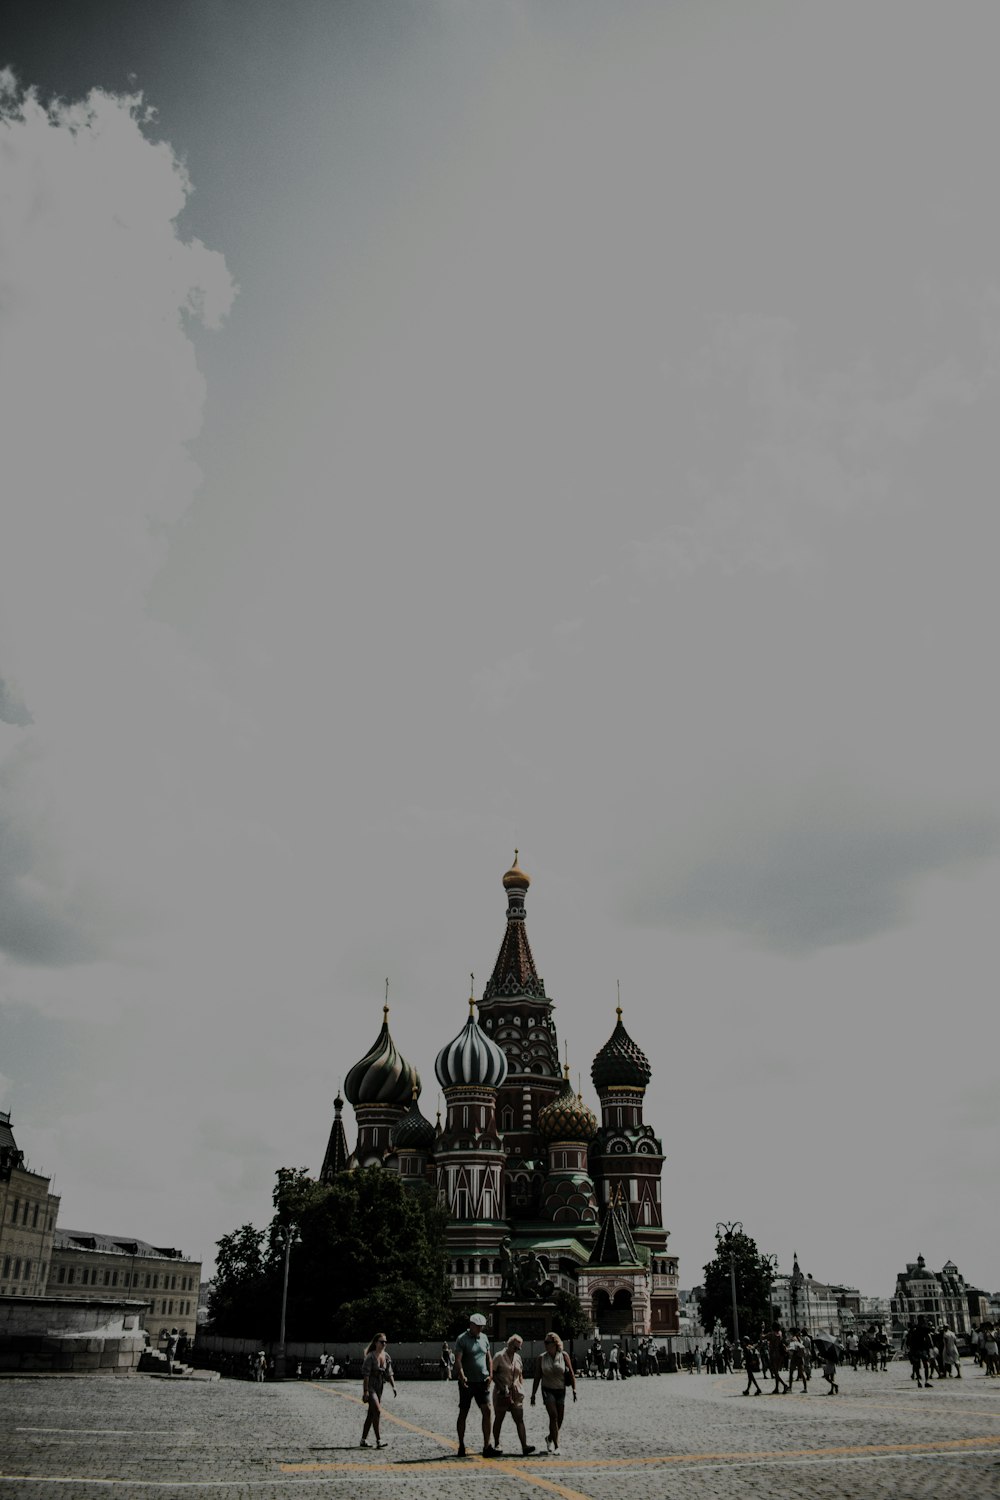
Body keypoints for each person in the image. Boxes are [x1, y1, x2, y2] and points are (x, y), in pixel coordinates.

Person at [454, 1312, 495, 1458]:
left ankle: (487, 1445)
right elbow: (458, 1359)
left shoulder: (484, 1338)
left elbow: (488, 1357)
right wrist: (462, 1375)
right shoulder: (462, 1339)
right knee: (464, 1411)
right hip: (467, 1382)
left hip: (482, 1381)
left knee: (487, 1410)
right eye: (478, 1327)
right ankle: (461, 1444)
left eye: (482, 1327)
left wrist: (490, 1374)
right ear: (471, 1325)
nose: (480, 1329)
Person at [530, 1331, 577, 1455]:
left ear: (555, 1343)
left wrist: (574, 1389)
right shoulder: (541, 1358)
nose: (545, 1344)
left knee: (560, 1419)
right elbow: (537, 1377)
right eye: (545, 1342)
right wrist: (533, 1394)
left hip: (561, 1390)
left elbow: (571, 1372)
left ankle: (550, 1437)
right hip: (547, 1389)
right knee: (553, 1416)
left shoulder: (564, 1355)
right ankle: (557, 1445)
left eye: (548, 1342)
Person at [491, 1334, 536, 1455]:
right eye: (515, 1347)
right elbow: (492, 1373)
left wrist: (520, 1386)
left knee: (519, 1419)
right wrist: (501, 1386)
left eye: (519, 1348)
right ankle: (496, 1444)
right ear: (509, 1345)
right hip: (502, 1392)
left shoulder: (518, 1358)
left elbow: (520, 1374)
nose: (516, 1350)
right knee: (499, 1418)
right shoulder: (499, 1356)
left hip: (516, 1393)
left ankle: (524, 1446)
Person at [360, 1332, 396, 1449]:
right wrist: (365, 1392)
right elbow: (366, 1375)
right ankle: (379, 1440)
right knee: (378, 1411)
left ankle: (363, 1440)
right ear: (376, 1343)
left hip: (380, 1386)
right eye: (382, 1342)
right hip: (371, 1386)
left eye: (385, 1342)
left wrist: (393, 1386)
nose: (384, 1344)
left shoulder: (386, 1356)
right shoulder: (370, 1357)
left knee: (371, 1414)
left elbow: (389, 1373)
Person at [767, 1325, 789, 1395]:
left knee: (774, 1372)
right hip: (780, 1353)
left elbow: (762, 1337)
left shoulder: (771, 1334)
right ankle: (776, 1388)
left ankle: (784, 1385)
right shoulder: (780, 1333)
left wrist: (762, 1329)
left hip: (773, 1354)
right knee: (776, 1372)